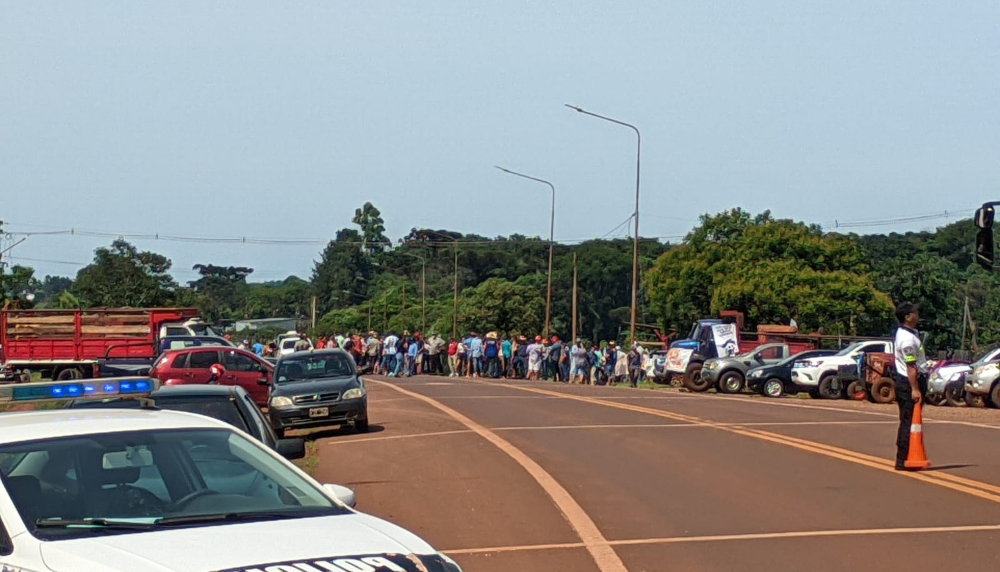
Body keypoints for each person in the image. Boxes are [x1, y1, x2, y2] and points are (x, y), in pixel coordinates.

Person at [893, 302, 929, 471]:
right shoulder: (907, 339)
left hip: (911, 380)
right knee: (908, 420)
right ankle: (902, 459)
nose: (917, 314)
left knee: (911, 419)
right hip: (908, 383)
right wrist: (915, 388)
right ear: (907, 317)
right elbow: (911, 366)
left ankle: (909, 456)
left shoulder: (909, 333)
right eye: (914, 312)